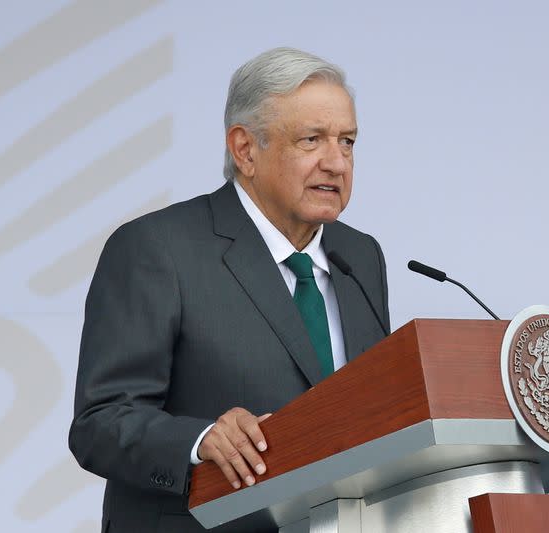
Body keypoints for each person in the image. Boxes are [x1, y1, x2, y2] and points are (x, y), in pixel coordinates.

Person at [69, 47, 390, 533]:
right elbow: (101, 422)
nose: (337, 162)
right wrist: (199, 440)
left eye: (347, 141)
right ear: (245, 149)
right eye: (312, 139)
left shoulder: (361, 256)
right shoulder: (157, 249)